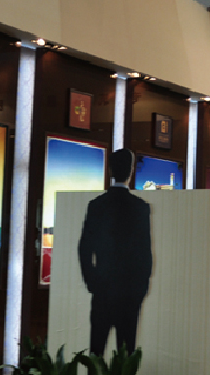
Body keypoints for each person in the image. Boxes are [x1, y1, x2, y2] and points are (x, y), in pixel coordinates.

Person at [78, 149, 153, 356]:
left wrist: (92, 281)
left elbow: (85, 247)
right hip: (130, 292)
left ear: (110, 170)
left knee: (96, 353)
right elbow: (145, 253)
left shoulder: (96, 206)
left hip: (102, 289)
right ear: (131, 171)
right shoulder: (140, 208)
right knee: (125, 355)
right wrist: (141, 288)